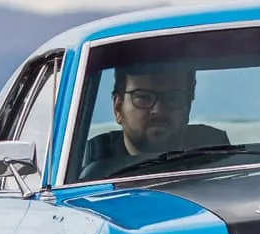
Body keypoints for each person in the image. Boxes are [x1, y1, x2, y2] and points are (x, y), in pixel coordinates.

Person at [78, 66, 231, 177]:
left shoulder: (223, 163)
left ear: (188, 106)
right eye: (143, 97)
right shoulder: (85, 175)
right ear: (118, 108)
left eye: (172, 98)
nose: (158, 110)